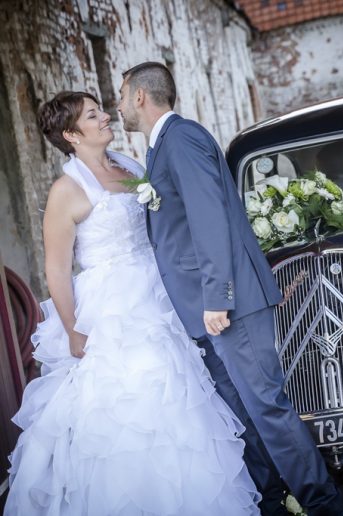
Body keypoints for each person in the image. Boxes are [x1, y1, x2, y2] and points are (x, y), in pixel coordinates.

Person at [4, 91, 262, 516]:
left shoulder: (130, 165)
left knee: (190, 394)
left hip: (163, 292)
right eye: (93, 115)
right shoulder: (66, 191)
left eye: (102, 110)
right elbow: (56, 269)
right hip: (116, 311)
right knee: (140, 400)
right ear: (71, 134)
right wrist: (72, 329)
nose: (106, 117)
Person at [118, 62, 343, 516]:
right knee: (241, 416)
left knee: (268, 409)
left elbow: (209, 220)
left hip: (228, 306)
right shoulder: (162, 147)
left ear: (141, 97)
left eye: (121, 95)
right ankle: (274, 504)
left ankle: (326, 507)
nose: (119, 105)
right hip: (206, 311)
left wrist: (217, 298)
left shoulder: (180, 140)